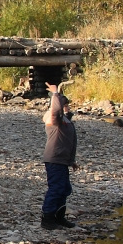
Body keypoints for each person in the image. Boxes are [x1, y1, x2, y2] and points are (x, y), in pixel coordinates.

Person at [41, 81, 76, 228]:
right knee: (56, 188)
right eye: (65, 104)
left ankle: (59, 216)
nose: (67, 107)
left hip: (62, 160)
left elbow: (69, 141)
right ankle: (47, 218)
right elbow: (55, 111)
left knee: (65, 189)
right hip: (54, 159)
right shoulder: (53, 119)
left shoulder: (65, 120)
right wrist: (55, 94)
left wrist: (71, 160)